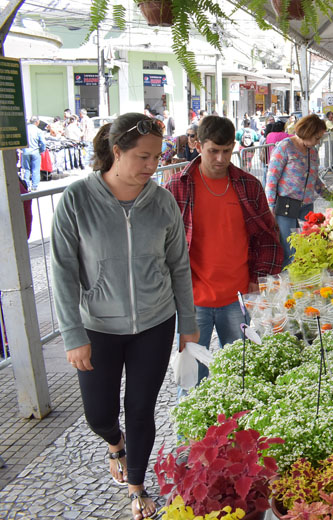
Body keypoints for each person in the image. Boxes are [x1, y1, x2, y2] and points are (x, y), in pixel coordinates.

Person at [51, 113, 198, 519]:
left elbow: (179, 266)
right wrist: (71, 333)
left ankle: (137, 486)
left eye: (157, 157)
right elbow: (62, 271)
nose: (153, 166)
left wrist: (188, 324)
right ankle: (114, 443)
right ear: (116, 153)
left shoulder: (163, 201)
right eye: (143, 157)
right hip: (97, 327)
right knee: (98, 413)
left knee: (140, 408)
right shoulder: (77, 200)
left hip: (155, 321)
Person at [165, 116, 283, 390]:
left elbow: (266, 236)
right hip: (194, 301)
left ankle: (241, 429)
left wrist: (258, 277)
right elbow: (162, 245)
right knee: (193, 381)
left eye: (227, 151)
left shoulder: (248, 185)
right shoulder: (176, 187)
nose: (220, 158)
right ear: (197, 145)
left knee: (241, 375)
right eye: (213, 151)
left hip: (238, 297)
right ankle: (191, 435)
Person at [266, 114, 328, 267]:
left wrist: (330, 195)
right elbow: (271, 180)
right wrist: (270, 208)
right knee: (291, 250)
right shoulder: (285, 147)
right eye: (317, 138)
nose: (318, 142)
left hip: (306, 207)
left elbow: (314, 178)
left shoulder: (312, 152)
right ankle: (290, 284)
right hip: (286, 206)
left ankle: (306, 283)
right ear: (308, 132)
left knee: (309, 247)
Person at [23, 116, 46, 190]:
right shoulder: (38, 131)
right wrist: (42, 150)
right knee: (35, 169)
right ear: (37, 122)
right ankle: (34, 186)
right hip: (35, 151)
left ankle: (26, 185)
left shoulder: (25, 129)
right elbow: (43, 143)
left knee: (26, 169)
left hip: (25, 152)